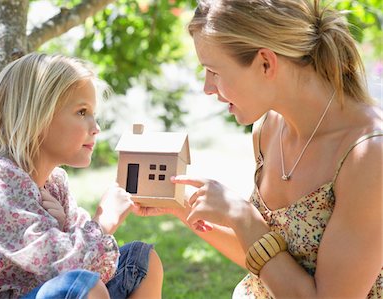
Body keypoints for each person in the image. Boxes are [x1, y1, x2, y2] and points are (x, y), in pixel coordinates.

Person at [137, 0, 382, 298]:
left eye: (213, 71)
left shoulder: (369, 156)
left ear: (266, 63)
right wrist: (182, 206)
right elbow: (266, 261)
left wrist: (242, 215)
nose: (207, 87)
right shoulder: (268, 128)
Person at [0, 53, 163, 299]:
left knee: (141, 260)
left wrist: (66, 227)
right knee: (84, 288)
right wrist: (103, 222)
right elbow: (66, 265)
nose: (95, 127)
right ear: (37, 117)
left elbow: (96, 266)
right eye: (82, 112)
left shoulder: (55, 184)